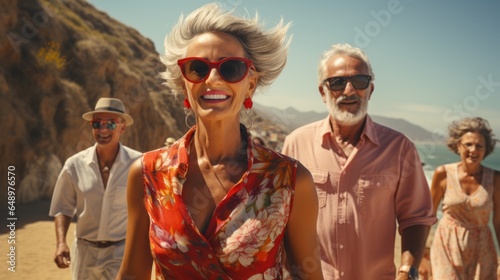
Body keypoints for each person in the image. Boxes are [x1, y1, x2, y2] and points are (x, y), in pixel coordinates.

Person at [117, 3, 323, 280]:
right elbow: (132, 274)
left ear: (250, 83)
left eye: (231, 68)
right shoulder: (147, 174)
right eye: (197, 68)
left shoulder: (289, 180)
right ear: (184, 84)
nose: (212, 79)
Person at [281, 43, 436, 280]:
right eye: (337, 82)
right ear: (323, 92)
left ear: (371, 90)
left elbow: (416, 217)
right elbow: (283, 217)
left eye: (360, 81)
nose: (349, 90)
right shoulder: (296, 144)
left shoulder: (399, 148)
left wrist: (408, 271)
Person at [49, 97, 141, 279]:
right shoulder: (74, 165)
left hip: (120, 252)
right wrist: (61, 243)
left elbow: (149, 209)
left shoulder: (139, 164)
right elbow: (63, 207)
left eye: (111, 124)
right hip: (84, 252)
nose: (103, 129)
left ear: (123, 127)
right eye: (97, 124)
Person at [429, 117, 500, 279]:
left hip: (482, 251)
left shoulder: (495, 179)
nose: (473, 150)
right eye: (468, 144)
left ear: (486, 149)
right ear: (458, 146)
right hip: (446, 245)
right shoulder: (442, 174)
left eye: (479, 145)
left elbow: (498, 222)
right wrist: (417, 253)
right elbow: (428, 216)